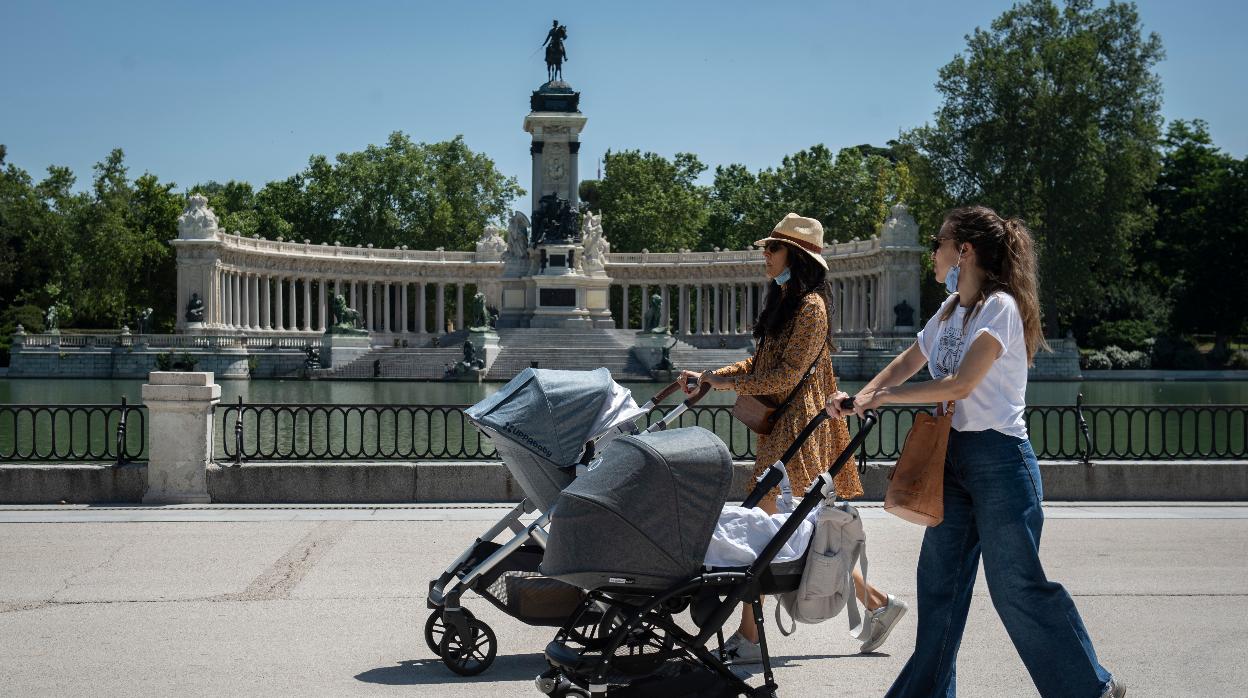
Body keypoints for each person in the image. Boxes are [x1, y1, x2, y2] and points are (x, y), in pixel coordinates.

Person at [826, 206, 1125, 697]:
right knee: (938, 589)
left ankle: (1091, 689)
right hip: (952, 459)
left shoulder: (1000, 308)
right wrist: (865, 393)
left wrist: (885, 398)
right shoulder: (949, 311)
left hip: (1000, 462)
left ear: (963, 251)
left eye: (940, 243)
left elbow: (962, 384)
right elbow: (911, 358)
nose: (933, 253)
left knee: (1016, 588)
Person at [679, 213, 907, 664]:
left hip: (800, 429)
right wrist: (709, 377)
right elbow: (756, 366)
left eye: (773, 248)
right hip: (783, 428)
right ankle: (877, 605)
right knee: (787, 533)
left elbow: (785, 377)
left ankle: (750, 638)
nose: (764, 254)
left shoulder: (810, 308)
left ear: (796, 256)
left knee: (772, 535)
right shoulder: (786, 301)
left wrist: (722, 384)